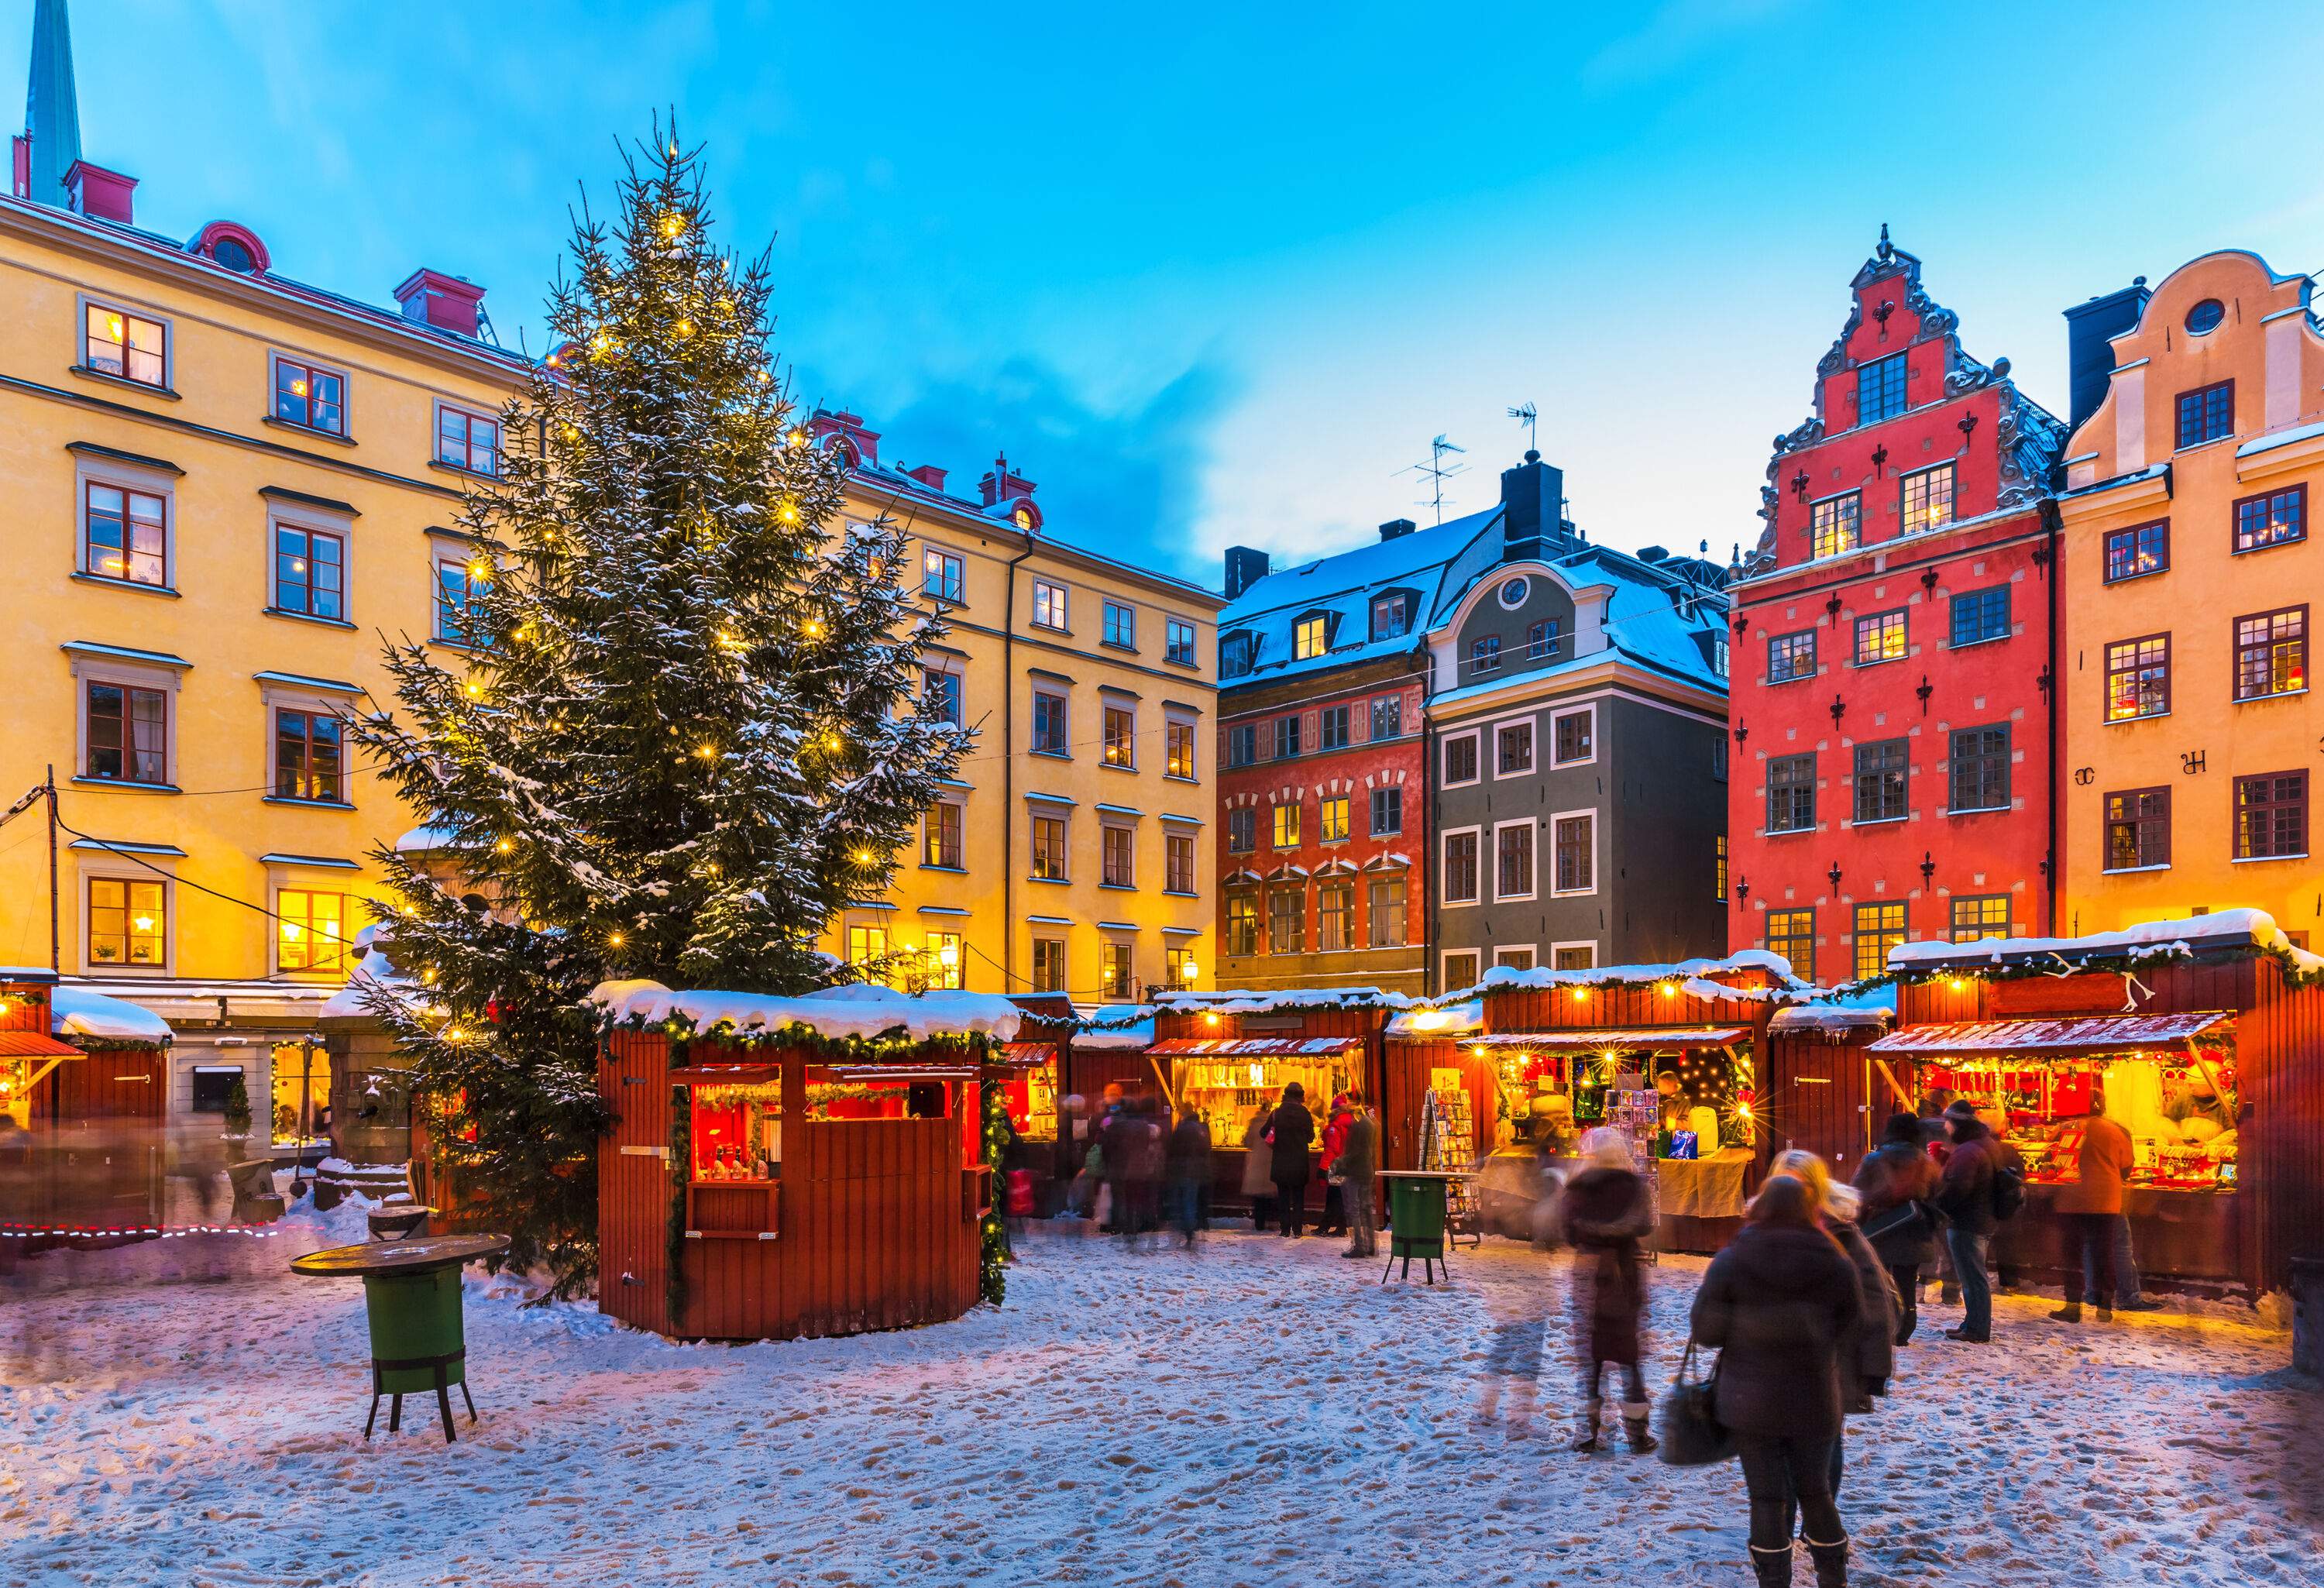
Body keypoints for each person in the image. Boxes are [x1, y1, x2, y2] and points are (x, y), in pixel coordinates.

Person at [1691, 1174, 1863, 1588]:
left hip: (1751, 1400)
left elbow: (1707, 1331)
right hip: (1815, 1397)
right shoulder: (1835, 1258)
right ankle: (1833, 1577)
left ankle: (1772, 1581)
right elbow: (1852, 1325)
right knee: (1815, 1490)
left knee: (1766, 1497)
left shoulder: (1733, 1258)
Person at [1775, 1150, 1897, 1502]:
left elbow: (1876, 1305)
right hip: (1779, 1363)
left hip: (1830, 1363)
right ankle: (1781, 1532)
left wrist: (1872, 1371)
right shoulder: (1765, 1232)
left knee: (1825, 1443)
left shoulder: (1842, 1236)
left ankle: (1819, 1525)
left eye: (1799, 1187)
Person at [1562, 1126, 1656, 1455]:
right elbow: (1644, 1224)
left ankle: (1588, 1433)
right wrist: (1619, 1231)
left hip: (1590, 1275)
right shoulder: (1633, 1186)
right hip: (1625, 1273)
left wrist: (1592, 1232)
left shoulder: (1577, 1187)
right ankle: (1638, 1434)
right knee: (1629, 1358)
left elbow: (1569, 1233)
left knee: (1592, 1357)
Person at [1852, 1112, 1941, 1343]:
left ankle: (1880, 1327)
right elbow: (1938, 1196)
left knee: (1878, 1283)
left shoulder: (1873, 1160)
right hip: (1914, 1231)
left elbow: (1856, 1197)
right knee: (1906, 1283)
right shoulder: (1927, 1163)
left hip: (1879, 1231)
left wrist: (1857, 1227)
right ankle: (1904, 1329)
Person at [2051, 1090, 2139, 1322]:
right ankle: (2104, 1307)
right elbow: (2126, 1166)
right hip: (2106, 1201)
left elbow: (2054, 1161)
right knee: (2104, 1252)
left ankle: (2072, 1306)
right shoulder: (2116, 1130)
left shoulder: (2065, 1129)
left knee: (2072, 1254)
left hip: (2071, 1199)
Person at [1932, 1098, 2011, 1342]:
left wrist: (1937, 1207)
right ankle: (1972, 1323)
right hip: (1982, 1219)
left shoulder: (1968, 1151)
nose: (1945, 1128)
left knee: (1973, 1278)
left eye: (1948, 1123)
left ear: (1957, 1124)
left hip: (1969, 1222)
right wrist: (1949, 1160)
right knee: (1973, 1276)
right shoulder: (1984, 1144)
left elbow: (1958, 1189)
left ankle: (1976, 1328)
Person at [1331, 1090, 1379, 1259]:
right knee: (1366, 1208)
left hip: (1356, 1171)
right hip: (1367, 1170)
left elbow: (1356, 1151)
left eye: (1349, 1102)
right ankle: (1371, 1245)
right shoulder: (1371, 1123)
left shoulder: (1358, 1124)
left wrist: (1340, 1161)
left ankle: (1359, 1246)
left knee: (1354, 1210)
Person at [1267, 1082, 1316, 1236]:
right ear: (1300, 1096)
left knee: (1283, 1197)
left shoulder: (1276, 1113)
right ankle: (1297, 1230)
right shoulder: (1305, 1113)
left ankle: (1284, 1230)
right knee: (1298, 1198)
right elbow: (1310, 1138)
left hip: (1281, 1162)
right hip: (1299, 1163)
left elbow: (1264, 1133)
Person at [1165, 1102, 1212, 1250]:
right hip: (1196, 1171)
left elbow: (1172, 1149)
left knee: (1180, 1203)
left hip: (1181, 1169)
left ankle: (1183, 1234)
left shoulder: (1181, 1129)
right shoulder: (1203, 1128)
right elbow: (1207, 1149)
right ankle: (1191, 1234)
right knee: (1190, 1202)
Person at [1315, 1095, 1351, 1237]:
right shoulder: (1351, 1121)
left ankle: (1324, 1227)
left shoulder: (1335, 1125)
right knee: (1340, 1197)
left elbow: (1332, 1149)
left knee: (1333, 1197)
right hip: (1347, 1164)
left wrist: (1323, 1167)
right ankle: (1341, 1228)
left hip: (1336, 1166)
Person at [1240, 1104, 1277, 1231]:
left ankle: (1259, 1224)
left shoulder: (1254, 1123)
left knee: (1258, 1199)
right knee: (1271, 1198)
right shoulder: (1274, 1123)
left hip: (1256, 1165)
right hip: (1271, 1163)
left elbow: (1247, 1143)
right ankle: (1271, 1223)